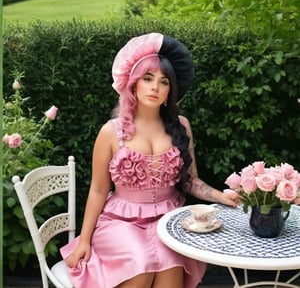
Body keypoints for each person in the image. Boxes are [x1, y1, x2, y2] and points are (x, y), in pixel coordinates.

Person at [60, 32, 239, 288]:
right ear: (134, 83)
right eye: (147, 79)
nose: (155, 87)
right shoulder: (111, 132)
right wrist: (85, 240)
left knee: (172, 266)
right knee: (140, 264)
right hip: (120, 222)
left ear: (170, 90)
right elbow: (99, 189)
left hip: (168, 221)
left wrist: (222, 197)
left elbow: (190, 181)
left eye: (163, 81)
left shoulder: (182, 127)